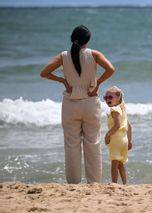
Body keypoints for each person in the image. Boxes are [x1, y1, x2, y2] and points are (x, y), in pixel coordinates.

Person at [40, 25, 115, 184]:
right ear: (87, 40)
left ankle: (73, 183)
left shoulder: (63, 56)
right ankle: (94, 182)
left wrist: (62, 81)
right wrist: (98, 84)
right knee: (93, 143)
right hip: (90, 103)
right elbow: (110, 69)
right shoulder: (94, 54)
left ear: (72, 39)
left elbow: (44, 72)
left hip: (70, 104)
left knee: (71, 145)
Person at [104, 86, 132, 185]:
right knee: (121, 163)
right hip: (124, 138)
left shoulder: (114, 110)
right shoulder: (122, 109)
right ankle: (125, 183)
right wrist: (130, 141)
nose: (107, 100)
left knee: (114, 163)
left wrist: (107, 135)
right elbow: (129, 126)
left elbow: (117, 125)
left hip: (116, 139)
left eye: (110, 97)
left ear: (118, 97)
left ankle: (114, 183)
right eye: (105, 98)